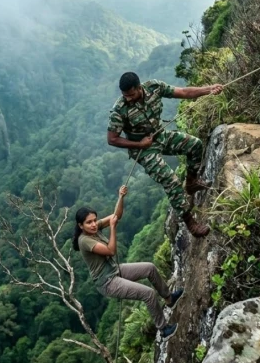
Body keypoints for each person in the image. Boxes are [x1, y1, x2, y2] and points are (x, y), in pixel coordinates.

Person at [107, 73, 223, 237]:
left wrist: (208, 89)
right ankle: (190, 222)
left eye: (131, 95)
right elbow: (112, 139)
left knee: (195, 144)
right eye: (125, 96)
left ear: (140, 88)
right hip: (143, 150)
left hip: (159, 135)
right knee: (170, 179)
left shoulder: (154, 87)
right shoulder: (120, 109)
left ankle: (191, 182)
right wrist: (139, 144)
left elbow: (183, 92)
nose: (128, 99)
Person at [74, 185, 183, 339]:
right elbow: (111, 250)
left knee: (150, 268)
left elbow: (116, 216)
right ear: (81, 226)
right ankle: (164, 329)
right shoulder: (84, 240)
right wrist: (112, 228)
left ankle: (169, 298)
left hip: (115, 270)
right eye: (88, 222)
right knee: (148, 293)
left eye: (94, 220)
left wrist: (121, 197)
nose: (93, 224)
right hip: (107, 282)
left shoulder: (95, 228)